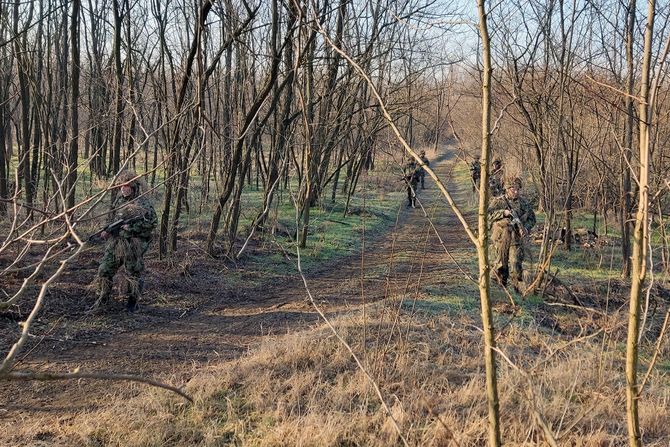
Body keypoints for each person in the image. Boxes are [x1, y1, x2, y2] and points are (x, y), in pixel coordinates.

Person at [93, 170, 158, 312]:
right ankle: (102, 299)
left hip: (133, 244)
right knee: (104, 270)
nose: (123, 188)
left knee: (133, 274)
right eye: (121, 186)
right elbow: (113, 219)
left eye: (127, 186)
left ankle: (132, 303)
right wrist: (107, 231)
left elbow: (152, 223)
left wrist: (131, 228)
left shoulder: (143, 203)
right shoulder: (119, 200)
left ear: (133, 187)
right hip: (116, 243)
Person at [488, 176, 536, 292]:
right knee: (500, 265)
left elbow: (532, 219)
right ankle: (501, 291)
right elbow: (487, 215)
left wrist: (525, 227)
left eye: (518, 189)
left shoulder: (524, 203)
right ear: (507, 189)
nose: (516, 191)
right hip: (500, 239)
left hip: (516, 239)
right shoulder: (498, 201)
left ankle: (517, 292)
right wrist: (503, 213)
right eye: (513, 189)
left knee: (516, 265)